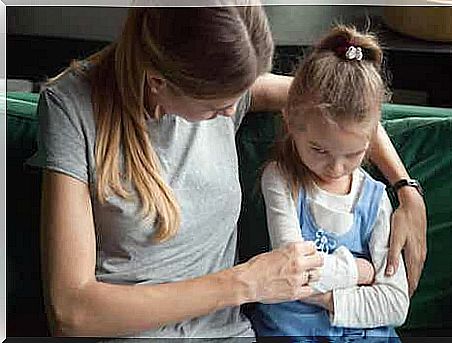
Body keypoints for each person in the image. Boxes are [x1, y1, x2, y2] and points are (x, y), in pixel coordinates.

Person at [26, 5, 425, 339]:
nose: (232, 113)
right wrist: (245, 283)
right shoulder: (72, 108)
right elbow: (71, 312)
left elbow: (344, 107)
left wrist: (406, 188)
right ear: (159, 83)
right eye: (217, 108)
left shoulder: (225, 81)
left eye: (241, 96)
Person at [251, 25, 411, 342]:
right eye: (319, 150)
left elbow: (395, 304)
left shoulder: (376, 199)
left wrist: (326, 298)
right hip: (290, 331)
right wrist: (359, 272)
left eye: (353, 154)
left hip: (366, 335)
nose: (336, 167)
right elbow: (293, 271)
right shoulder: (281, 179)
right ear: (290, 122)